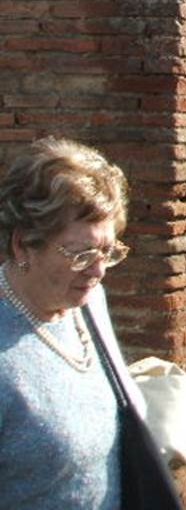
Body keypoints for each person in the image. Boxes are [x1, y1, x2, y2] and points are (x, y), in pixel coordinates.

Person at [0, 136, 141, 508]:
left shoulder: (88, 304)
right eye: (80, 254)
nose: (98, 271)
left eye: (108, 252)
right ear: (23, 244)